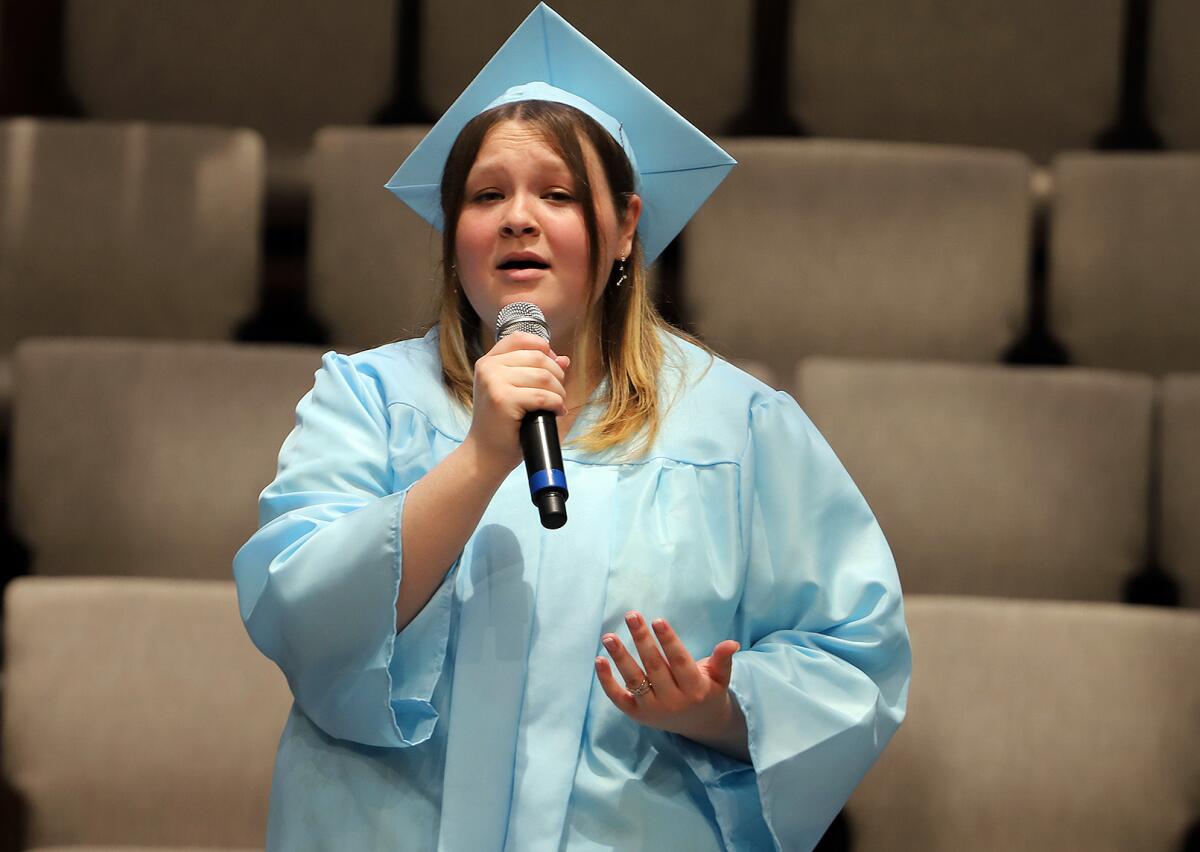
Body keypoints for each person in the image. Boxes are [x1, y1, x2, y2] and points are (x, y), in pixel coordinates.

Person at [233, 5, 911, 850]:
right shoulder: (370, 399)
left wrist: (717, 707)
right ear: (455, 235)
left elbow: (858, 662)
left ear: (626, 225)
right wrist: (481, 457)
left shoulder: (740, 429)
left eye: (556, 194)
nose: (519, 217)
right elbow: (300, 614)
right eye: (487, 196)